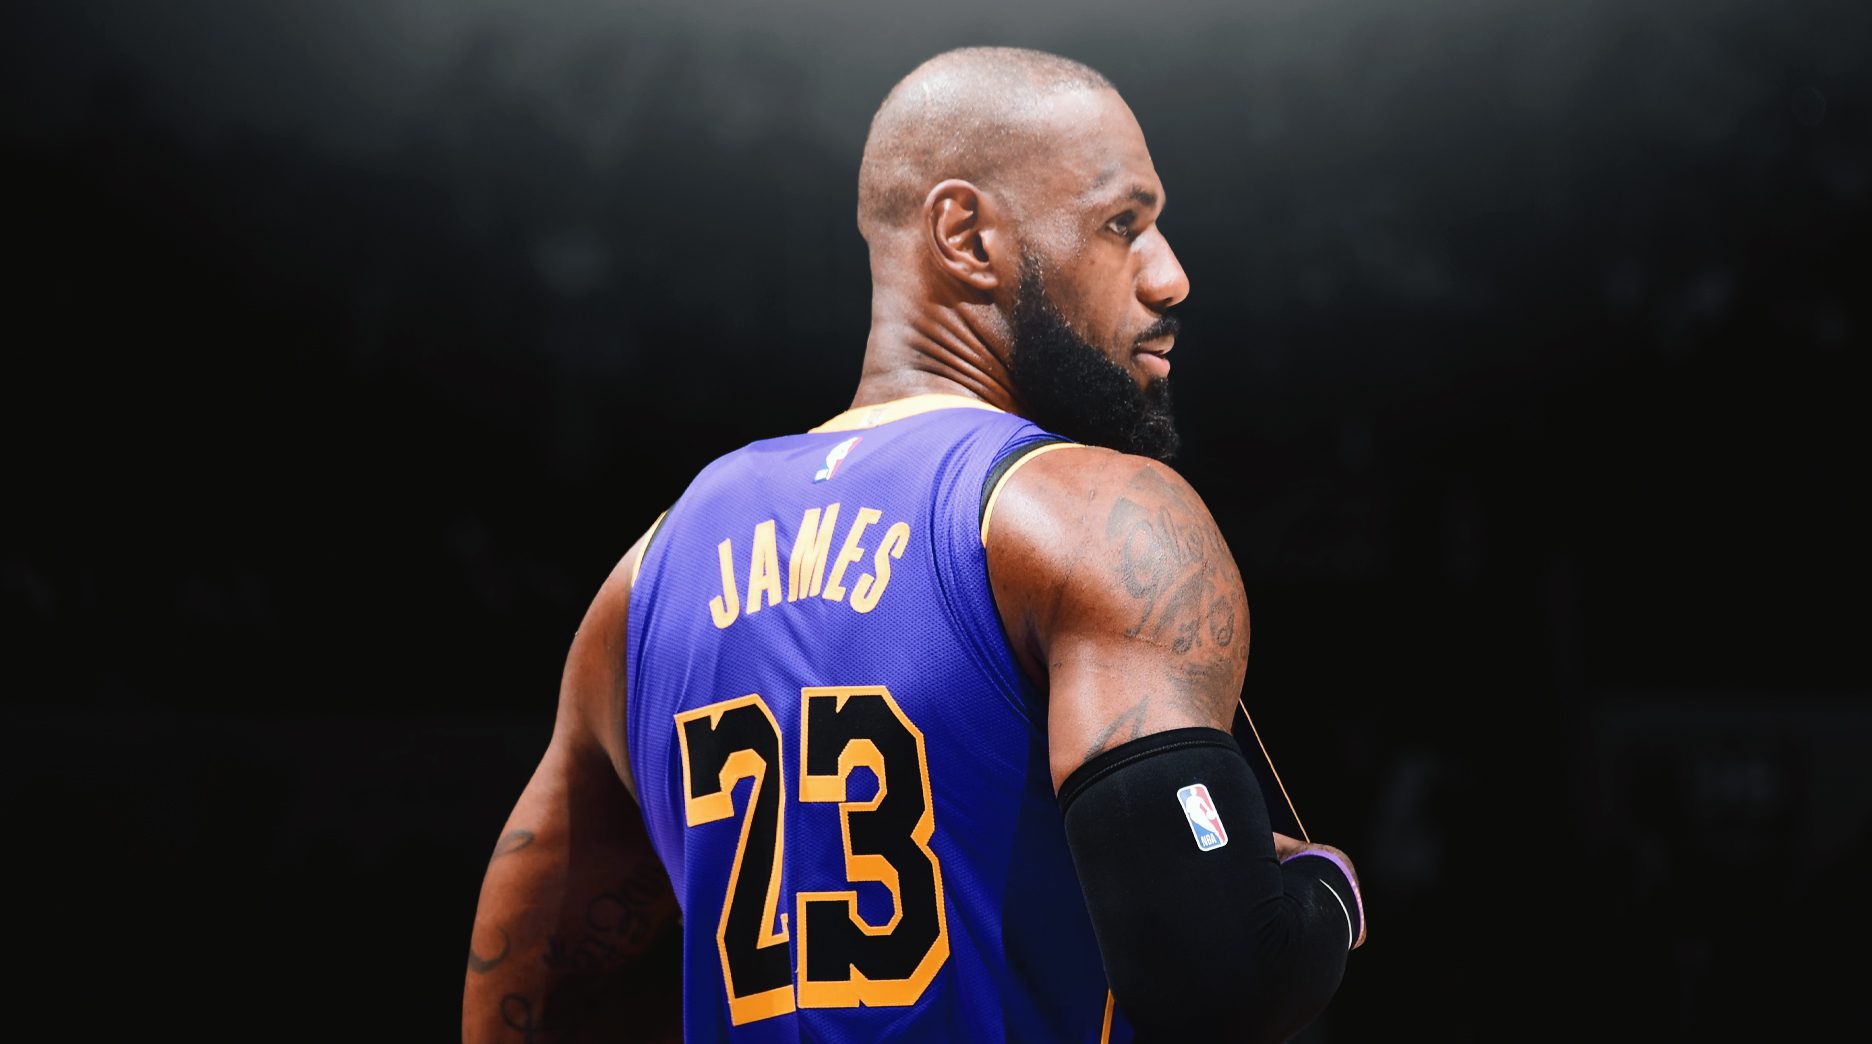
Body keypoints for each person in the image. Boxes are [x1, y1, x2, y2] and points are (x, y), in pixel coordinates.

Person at [464, 46, 1365, 1043]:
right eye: (1123, 224)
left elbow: (516, 1002)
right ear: (965, 236)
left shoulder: (645, 579)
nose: (1170, 275)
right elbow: (1222, 980)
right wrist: (1325, 886)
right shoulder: (1087, 515)